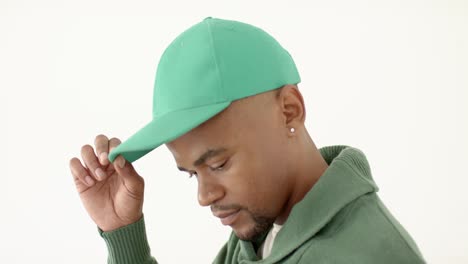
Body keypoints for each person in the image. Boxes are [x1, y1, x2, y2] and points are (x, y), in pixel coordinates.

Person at [69, 17, 426, 263]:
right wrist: (122, 232)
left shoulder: (366, 255)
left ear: (289, 111)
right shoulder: (265, 232)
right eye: (192, 173)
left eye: (219, 164)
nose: (204, 196)